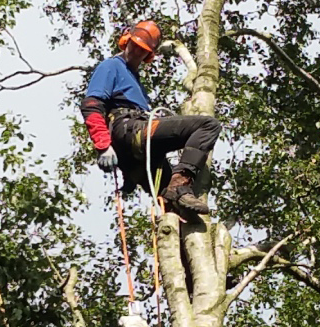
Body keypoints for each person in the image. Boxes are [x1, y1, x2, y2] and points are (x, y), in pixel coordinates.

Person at [80, 20, 223, 215]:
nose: (136, 52)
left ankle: (175, 210)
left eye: (142, 50)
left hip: (137, 155)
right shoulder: (111, 66)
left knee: (174, 205)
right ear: (126, 41)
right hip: (130, 129)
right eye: (134, 46)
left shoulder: (136, 82)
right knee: (208, 125)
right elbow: (92, 105)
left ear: (149, 55)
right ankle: (180, 185)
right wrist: (103, 145)